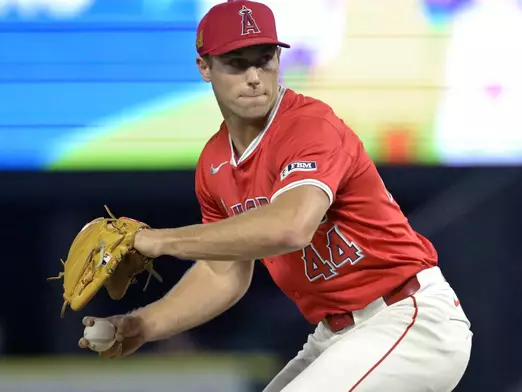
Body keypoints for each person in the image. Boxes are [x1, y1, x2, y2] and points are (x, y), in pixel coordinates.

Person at [78, 1, 473, 391]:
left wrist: (157, 241)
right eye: (236, 62)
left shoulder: (310, 126)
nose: (254, 76)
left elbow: (292, 226)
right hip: (338, 334)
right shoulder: (214, 162)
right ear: (204, 67)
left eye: (264, 60)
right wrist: (141, 325)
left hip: (408, 317)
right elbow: (222, 273)